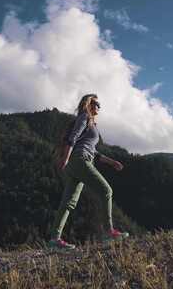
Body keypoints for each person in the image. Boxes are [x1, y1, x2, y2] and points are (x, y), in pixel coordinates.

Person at [49, 94, 129, 249]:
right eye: (97, 103)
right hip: (80, 160)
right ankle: (109, 233)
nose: (99, 106)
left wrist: (112, 162)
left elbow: (94, 152)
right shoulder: (84, 117)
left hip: (78, 161)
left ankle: (54, 239)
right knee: (106, 191)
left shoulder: (91, 123)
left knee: (68, 202)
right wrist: (65, 158)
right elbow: (73, 137)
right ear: (89, 104)